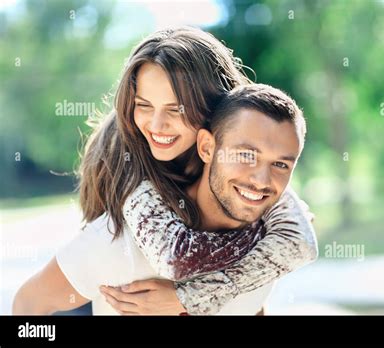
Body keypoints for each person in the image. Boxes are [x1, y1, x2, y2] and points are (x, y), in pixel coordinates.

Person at [12, 28, 317, 315]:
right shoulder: (129, 163)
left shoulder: (244, 173)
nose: (156, 126)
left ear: (217, 113)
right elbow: (177, 258)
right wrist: (191, 298)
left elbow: (298, 242)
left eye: (175, 110)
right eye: (143, 105)